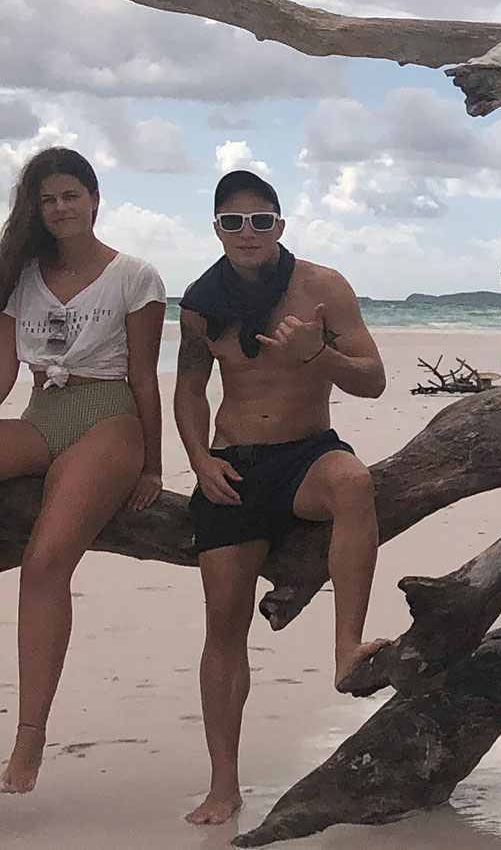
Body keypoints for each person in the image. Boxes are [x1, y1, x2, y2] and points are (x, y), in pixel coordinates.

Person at [176, 171, 389, 824]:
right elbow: (188, 391)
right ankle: (223, 785)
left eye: (261, 220)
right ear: (217, 229)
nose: (248, 233)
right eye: (234, 222)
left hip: (306, 456)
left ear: (281, 226)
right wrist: (198, 460)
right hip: (232, 468)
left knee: (354, 483)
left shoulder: (322, 288)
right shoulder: (199, 302)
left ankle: (346, 647)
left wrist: (316, 354)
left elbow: (375, 381)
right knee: (225, 628)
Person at [0, 148, 164, 795]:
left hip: (111, 422)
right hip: (41, 415)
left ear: (94, 199)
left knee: (44, 564)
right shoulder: (20, 276)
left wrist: (152, 461)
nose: (60, 207)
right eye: (48, 199)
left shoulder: (135, 276)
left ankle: (28, 741)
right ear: (35, 210)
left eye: (71, 194)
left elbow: (147, 376)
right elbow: (4, 374)